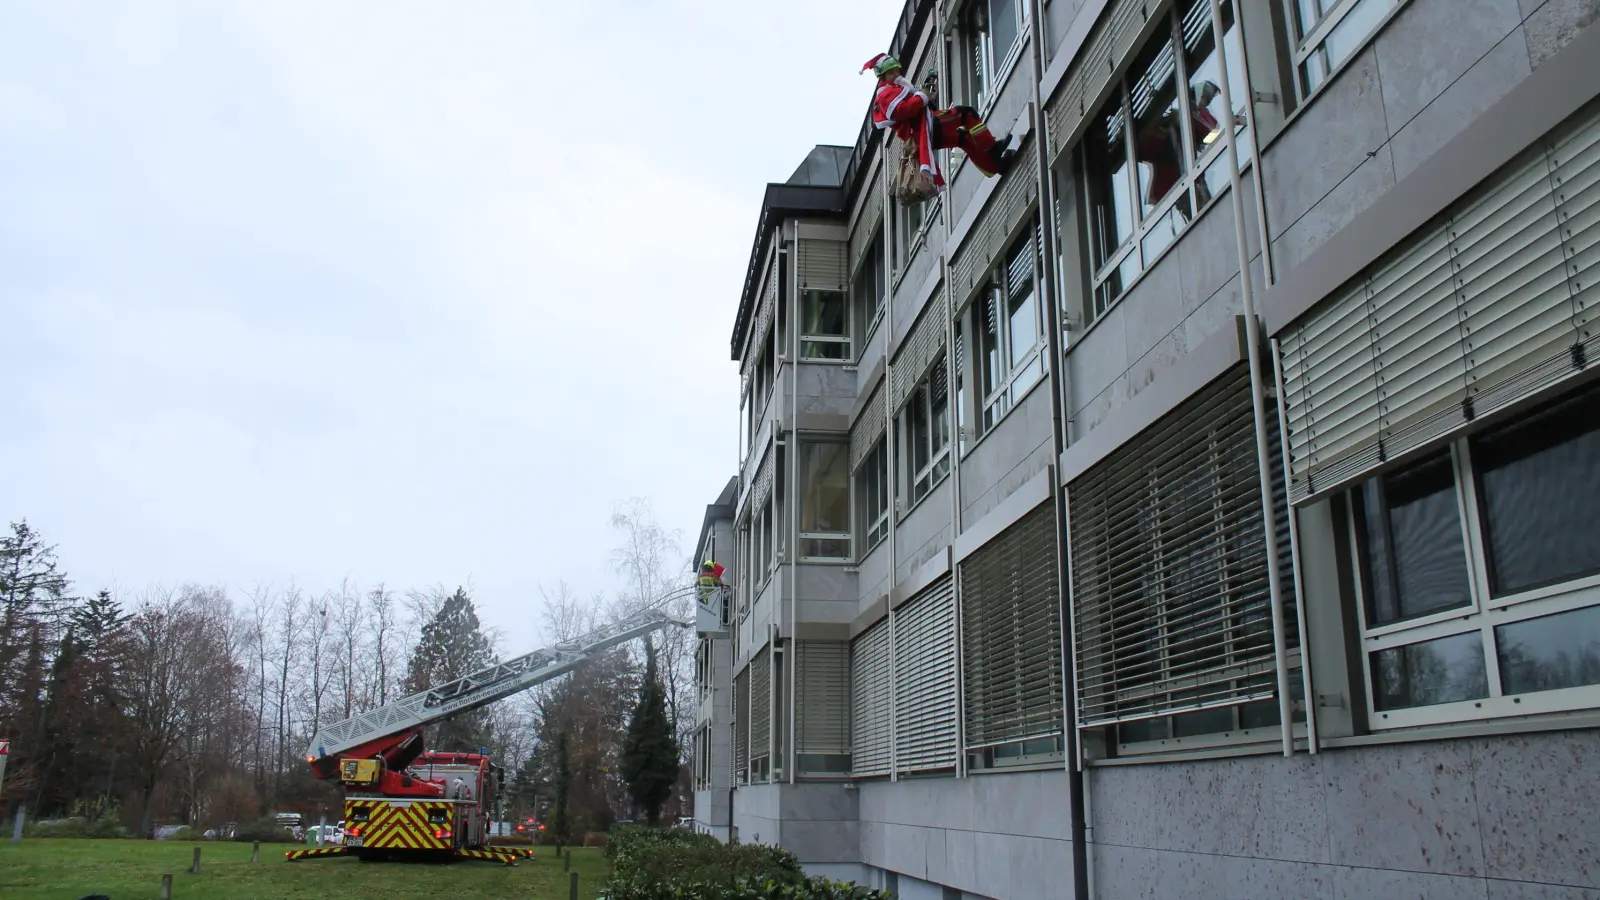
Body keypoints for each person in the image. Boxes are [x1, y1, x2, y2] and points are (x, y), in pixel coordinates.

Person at [863, 53, 1016, 186]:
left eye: (897, 71)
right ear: (882, 77)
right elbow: (904, 110)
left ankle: (997, 167)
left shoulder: (894, 90)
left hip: (925, 133)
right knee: (967, 114)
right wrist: (922, 95)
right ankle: (991, 147)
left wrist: (927, 93)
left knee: (962, 139)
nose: (896, 75)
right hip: (927, 128)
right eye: (891, 73)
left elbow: (915, 106)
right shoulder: (886, 94)